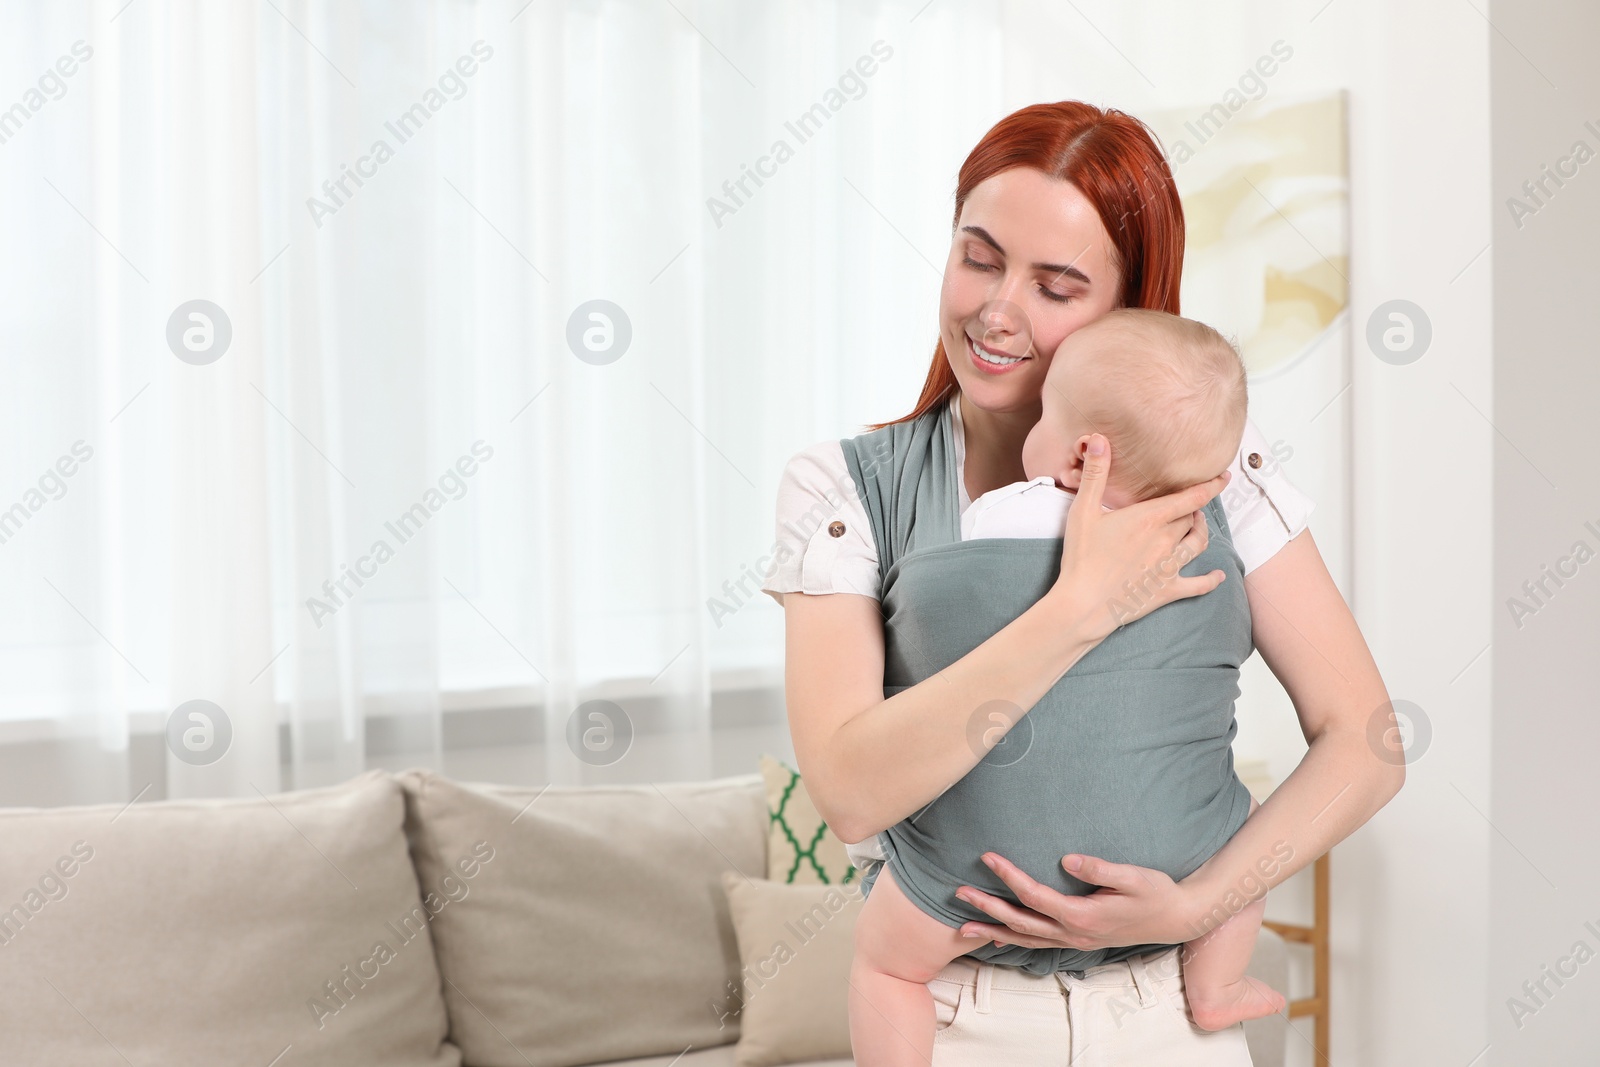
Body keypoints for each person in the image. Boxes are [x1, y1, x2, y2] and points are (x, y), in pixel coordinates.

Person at [761, 100, 1402, 1064]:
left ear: (1127, 306)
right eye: (980, 257)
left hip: (1168, 1019)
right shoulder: (848, 487)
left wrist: (1202, 901)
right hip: (955, 1020)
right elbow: (850, 791)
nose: (998, 310)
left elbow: (1368, 740)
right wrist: (1076, 605)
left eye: (1057, 286)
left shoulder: (1220, 470)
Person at [846, 309, 1286, 1067]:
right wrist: (1190, 904)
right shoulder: (1212, 539)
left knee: (882, 965)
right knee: (1244, 840)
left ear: (1085, 455)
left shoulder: (993, 518)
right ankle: (1217, 984)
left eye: (1049, 408)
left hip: (972, 882)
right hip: (1169, 859)